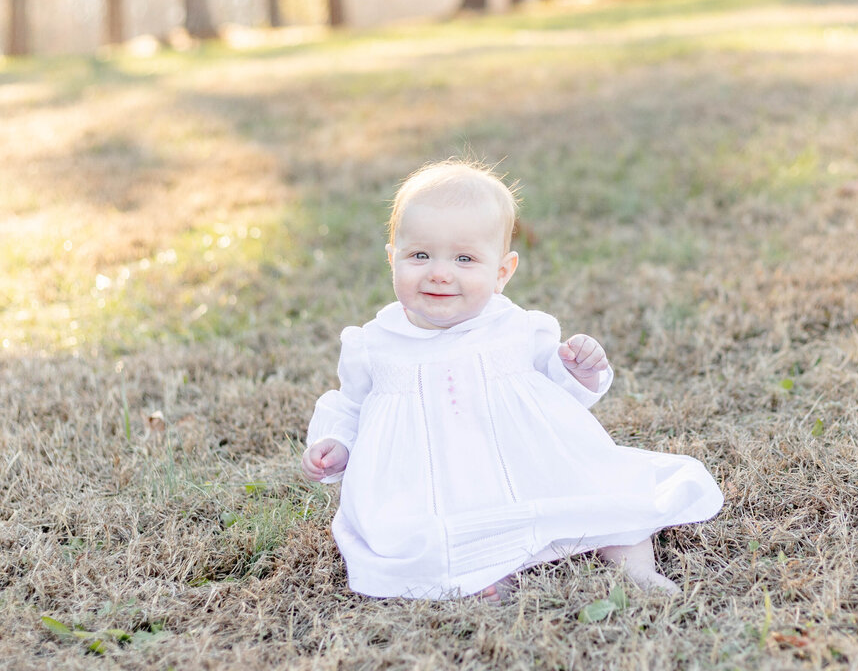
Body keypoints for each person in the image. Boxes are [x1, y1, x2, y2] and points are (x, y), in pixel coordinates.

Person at [302, 159, 723, 601]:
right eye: (420, 255)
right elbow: (350, 405)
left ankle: (635, 568)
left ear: (502, 272)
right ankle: (484, 577)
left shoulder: (518, 327)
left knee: (609, 500)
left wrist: (576, 369)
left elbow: (558, 391)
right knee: (427, 541)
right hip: (431, 487)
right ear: (392, 259)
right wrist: (336, 443)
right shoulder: (375, 343)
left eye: (465, 258)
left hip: (532, 466)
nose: (440, 272)